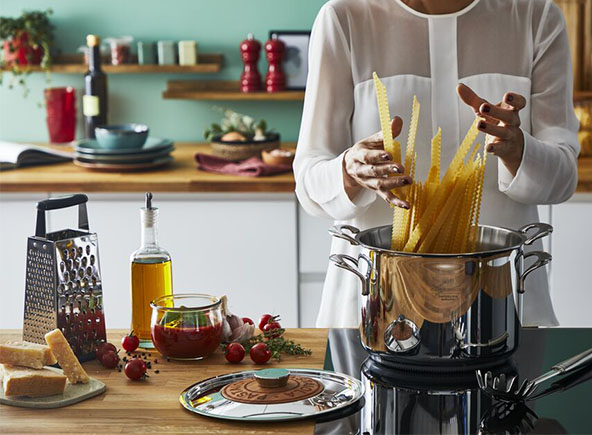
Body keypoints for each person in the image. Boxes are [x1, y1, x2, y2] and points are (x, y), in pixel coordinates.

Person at [294, 0, 580, 328]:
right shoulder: (344, 18)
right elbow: (309, 179)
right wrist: (349, 170)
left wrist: (519, 150)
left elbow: (563, 177)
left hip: (502, 309)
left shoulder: (536, 16)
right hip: (375, 309)